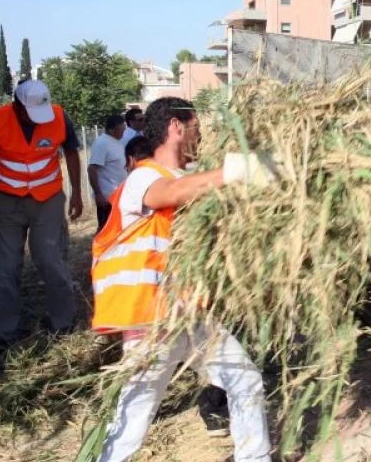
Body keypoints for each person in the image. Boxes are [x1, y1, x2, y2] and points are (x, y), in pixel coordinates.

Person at [90, 96, 274, 462]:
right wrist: (237, 170)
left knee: (245, 380)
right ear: (176, 127)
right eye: (196, 130)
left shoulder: (188, 179)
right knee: (135, 414)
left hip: (188, 314)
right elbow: (170, 195)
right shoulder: (145, 175)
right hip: (151, 321)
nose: (200, 139)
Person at [0, 80, 83, 355]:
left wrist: (77, 192)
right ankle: (3, 332)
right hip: (5, 201)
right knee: (6, 266)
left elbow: (71, 152)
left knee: (50, 259)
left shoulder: (57, 115)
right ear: (17, 105)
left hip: (47, 198)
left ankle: (63, 323)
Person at [88, 115, 128, 232]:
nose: (123, 132)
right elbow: (92, 169)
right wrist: (98, 194)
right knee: (106, 230)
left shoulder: (119, 142)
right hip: (107, 198)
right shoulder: (101, 143)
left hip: (120, 196)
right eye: (121, 129)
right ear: (112, 129)